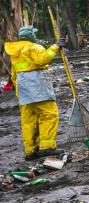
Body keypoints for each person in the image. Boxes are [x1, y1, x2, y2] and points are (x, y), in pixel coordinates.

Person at [4, 26, 65, 160]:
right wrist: (56, 47)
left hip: (23, 86)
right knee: (49, 114)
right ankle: (46, 147)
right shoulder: (33, 47)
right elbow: (42, 59)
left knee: (28, 120)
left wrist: (19, 91)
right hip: (37, 84)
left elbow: (14, 73)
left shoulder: (15, 51)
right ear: (30, 35)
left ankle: (30, 151)